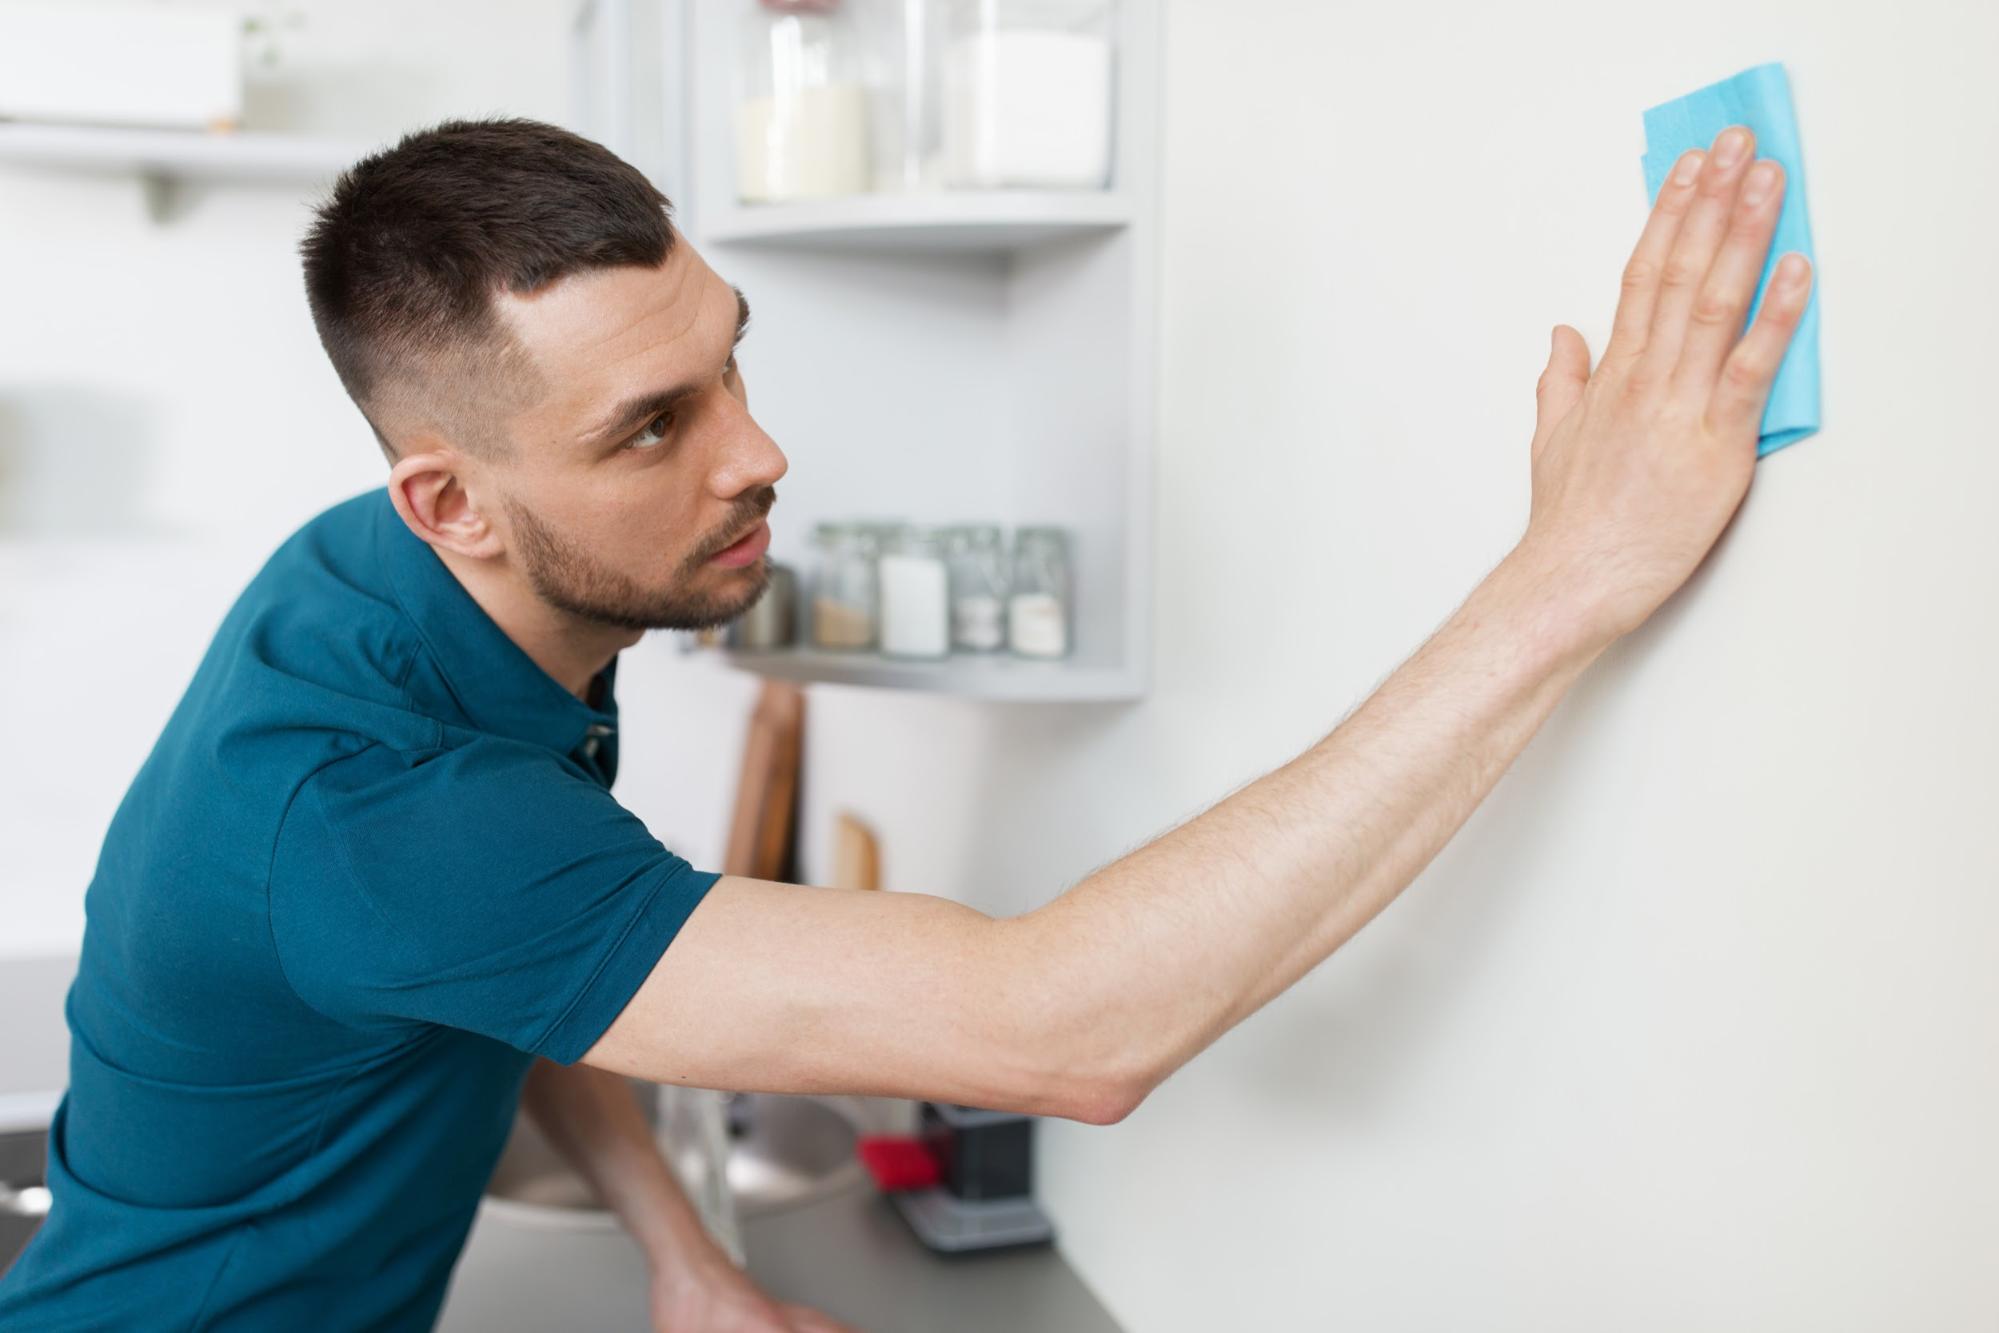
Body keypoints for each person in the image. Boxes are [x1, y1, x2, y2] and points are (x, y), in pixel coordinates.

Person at [0, 114, 1809, 1331]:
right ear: (447, 499)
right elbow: (1071, 1030)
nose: (758, 453)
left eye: (731, 360)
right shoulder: (378, 806)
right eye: (653, 427)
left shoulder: (427, 601)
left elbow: (514, 974)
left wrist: (685, 1259)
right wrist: (1572, 569)